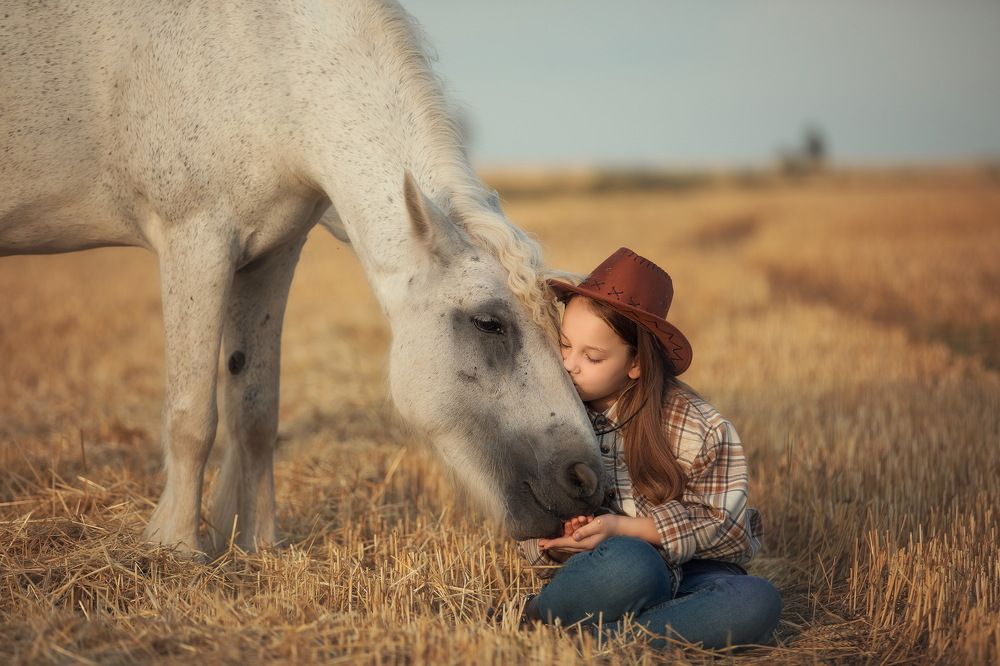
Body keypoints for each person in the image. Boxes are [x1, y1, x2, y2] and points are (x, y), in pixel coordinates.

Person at [516, 247, 781, 650]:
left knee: (757, 600)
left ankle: (606, 644)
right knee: (632, 564)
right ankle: (538, 617)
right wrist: (562, 542)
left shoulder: (702, 427)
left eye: (592, 356)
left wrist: (627, 528)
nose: (569, 365)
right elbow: (528, 515)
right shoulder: (552, 420)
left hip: (700, 574)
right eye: (565, 346)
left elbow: (725, 527)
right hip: (618, 574)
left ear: (636, 362)